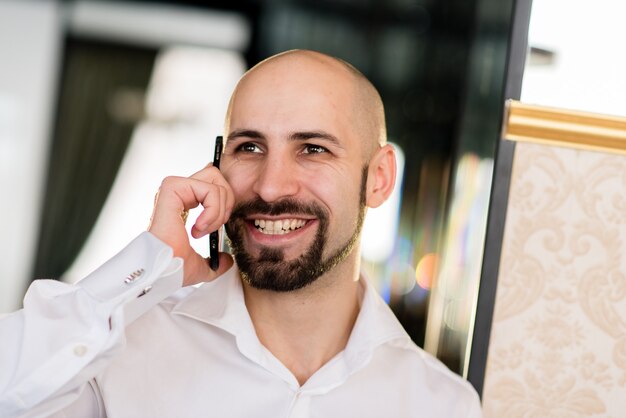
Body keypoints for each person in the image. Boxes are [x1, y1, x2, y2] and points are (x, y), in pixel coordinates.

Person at [0, 50, 482, 417]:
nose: (270, 186)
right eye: (249, 146)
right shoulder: (117, 349)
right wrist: (147, 263)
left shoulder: (441, 405)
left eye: (312, 149)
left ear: (378, 179)